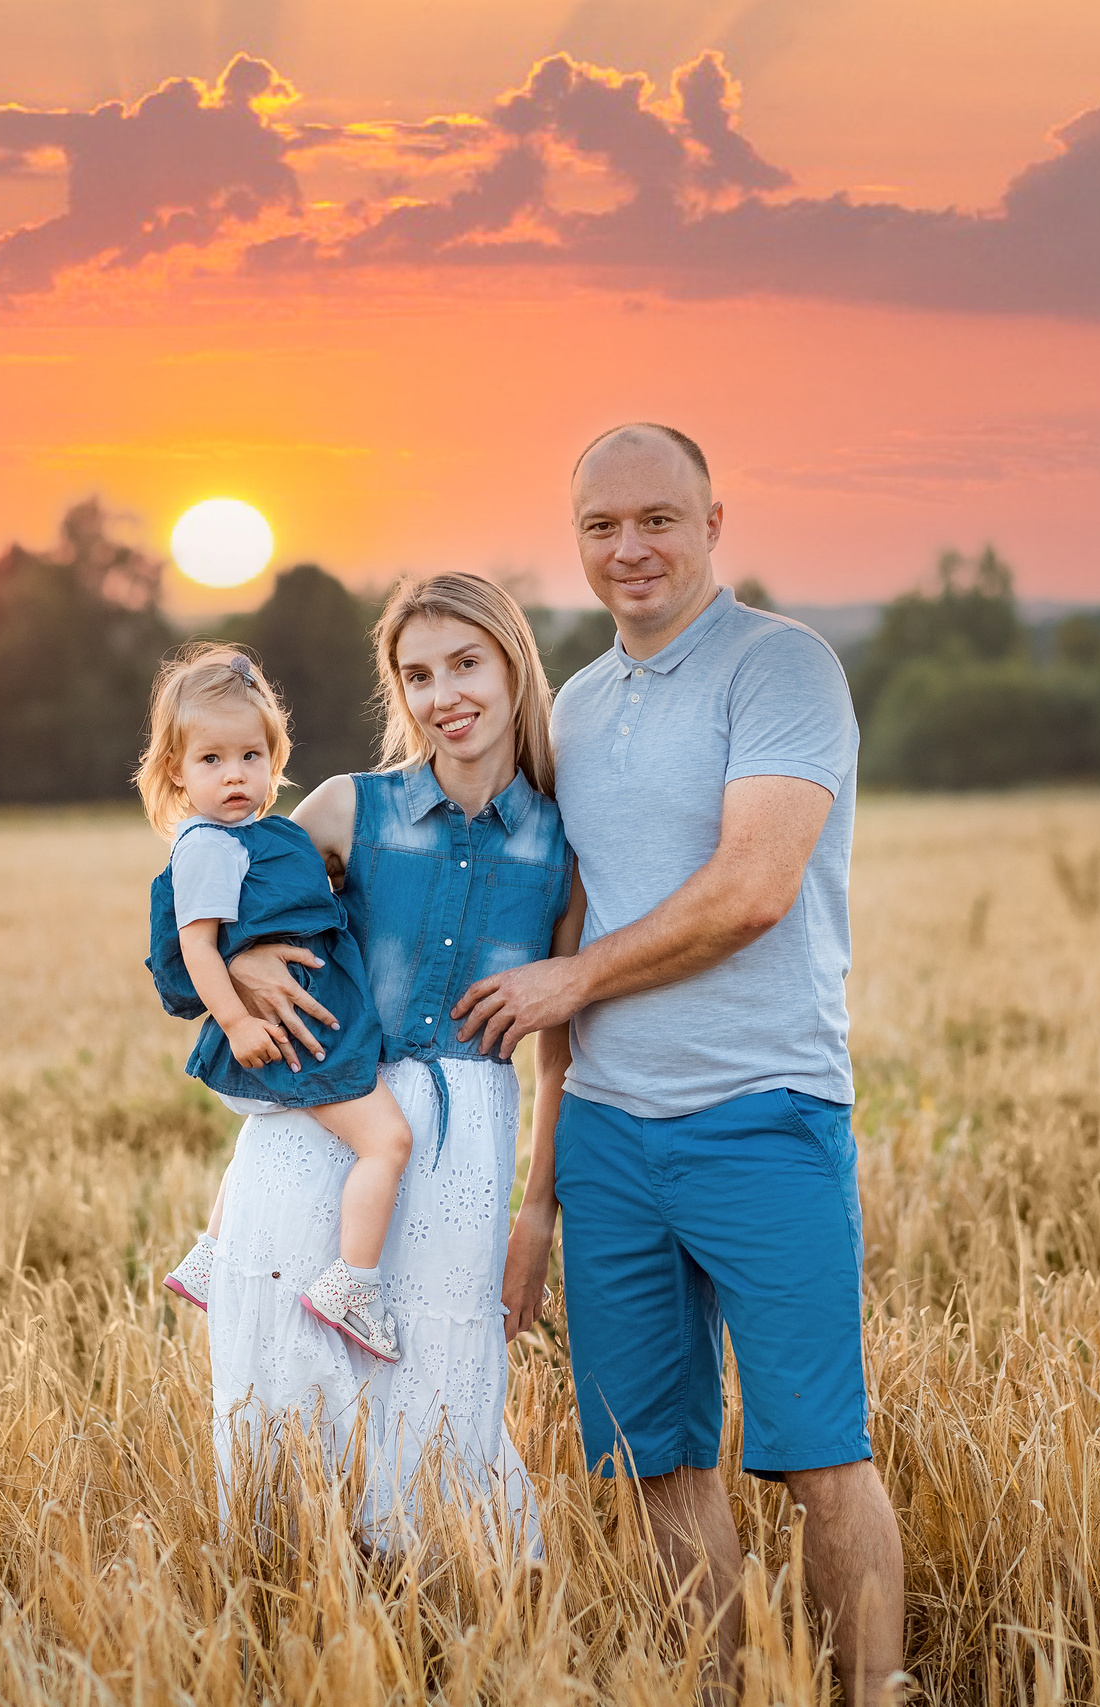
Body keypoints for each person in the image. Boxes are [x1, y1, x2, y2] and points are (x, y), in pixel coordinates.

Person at [456, 424, 908, 1703]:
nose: (629, 548)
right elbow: (560, 931)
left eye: (656, 519)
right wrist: (536, 1199)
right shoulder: (579, 710)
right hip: (606, 1136)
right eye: (601, 527)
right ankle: (716, 1693)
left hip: (763, 1114)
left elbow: (753, 889)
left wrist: (576, 978)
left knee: (822, 1453)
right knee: (654, 1461)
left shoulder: (782, 669)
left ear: (715, 521)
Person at [170, 575, 574, 1547]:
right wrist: (250, 956)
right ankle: (288, 1610)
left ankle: (433, 1628)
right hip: (332, 1110)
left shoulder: (560, 844)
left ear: (515, 666)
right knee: (288, 1377)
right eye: (418, 675)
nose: (446, 696)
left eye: (467, 664)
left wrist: (536, 1215)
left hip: (465, 1136)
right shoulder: (350, 808)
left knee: (441, 1378)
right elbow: (221, 902)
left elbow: (563, 1056)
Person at [136, 644, 413, 1357]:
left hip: (295, 1023)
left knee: (253, 1144)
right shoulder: (207, 847)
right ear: (175, 770)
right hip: (289, 1032)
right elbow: (199, 947)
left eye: (251, 756)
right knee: (387, 1139)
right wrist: (235, 1022)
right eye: (211, 760)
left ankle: (211, 1251)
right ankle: (351, 1284)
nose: (236, 775)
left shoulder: (248, 835)